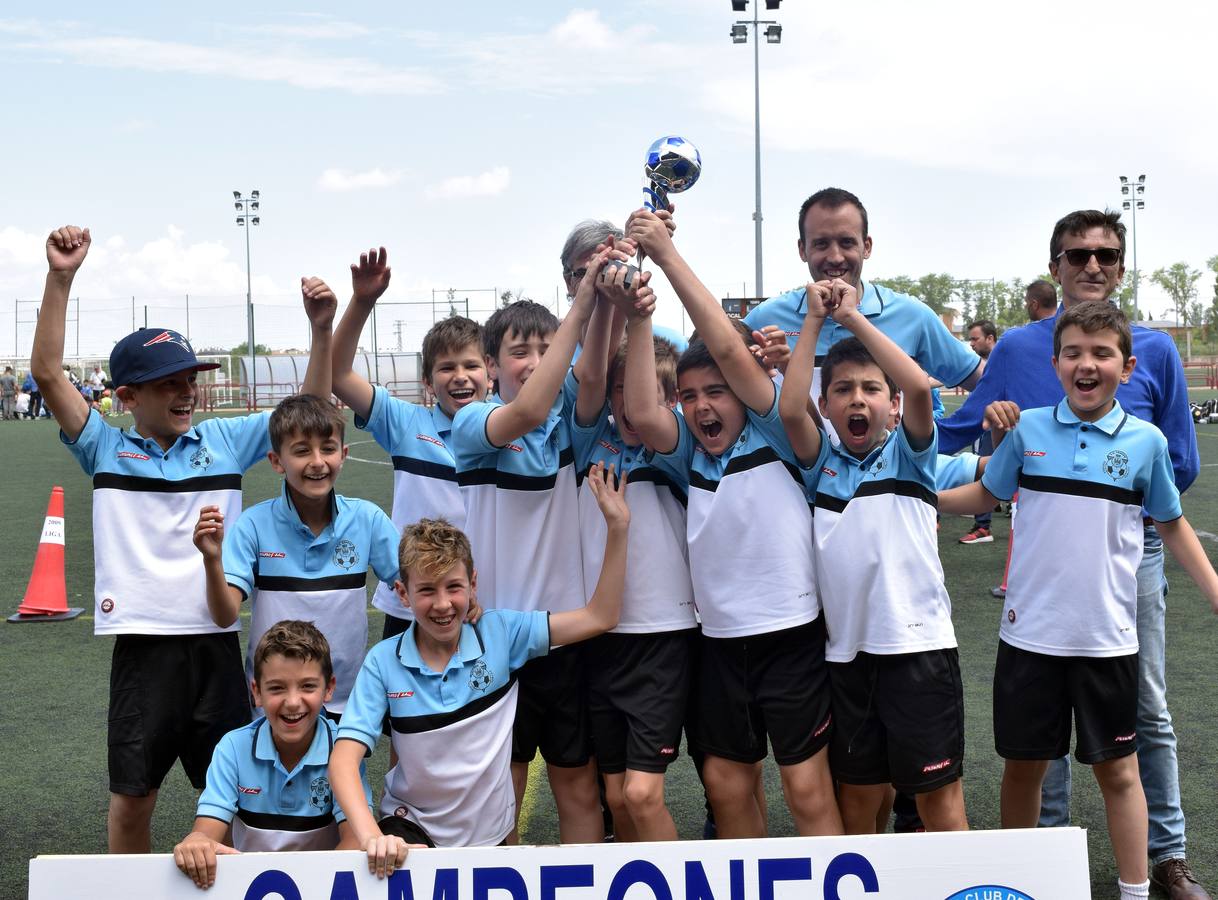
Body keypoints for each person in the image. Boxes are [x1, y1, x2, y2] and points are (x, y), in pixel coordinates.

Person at [29, 225, 331, 854]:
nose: (187, 390)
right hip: (143, 650)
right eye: (170, 382)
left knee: (247, 797)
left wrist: (320, 328)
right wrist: (61, 278)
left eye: (190, 377)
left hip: (218, 647)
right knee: (133, 800)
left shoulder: (223, 441)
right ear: (127, 395)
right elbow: (48, 373)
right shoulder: (104, 445)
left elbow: (311, 402)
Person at [936, 210, 1207, 899]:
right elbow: (969, 458)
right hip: (1036, 614)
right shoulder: (1022, 363)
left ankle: (1161, 863)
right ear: (1056, 264)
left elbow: (1174, 484)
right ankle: (1039, 872)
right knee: (1032, 756)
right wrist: (905, 476)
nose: (1093, 264)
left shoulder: (1153, 377)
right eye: (1078, 254)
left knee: (1144, 723)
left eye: (1106, 254)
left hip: (1120, 580)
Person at [624, 209, 841, 839]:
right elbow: (642, 407)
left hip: (792, 637)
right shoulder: (691, 453)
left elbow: (722, 344)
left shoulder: (777, 426)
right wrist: (640, 320)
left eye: (715, 392)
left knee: (805, 785)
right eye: (689, 397)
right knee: (725, 784)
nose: (701, 406)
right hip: (719, 644)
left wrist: (665, 255)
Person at [329, 463, 630, 853]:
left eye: (454, 587)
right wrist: (372, 837)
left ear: (473, 584)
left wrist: (618, 528)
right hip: (414, 837)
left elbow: (600, 616)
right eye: (426, 591)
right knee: (349, 855)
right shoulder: (383, 662)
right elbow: (342, 761)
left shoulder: (500, 634)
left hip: (489, 845)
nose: (442, 604)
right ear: (402, 594)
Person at [778, 278, 967, 834]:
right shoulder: (821, 462)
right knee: (858, 801)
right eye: (842, 390)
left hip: (918, 650)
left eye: (870, 389)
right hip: (847, 658)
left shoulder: (911, 455)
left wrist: (854, 317)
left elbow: (917, 382)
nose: (857, 399)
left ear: (893, 404)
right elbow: (790, 408)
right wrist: (813, 321)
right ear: (826, 404)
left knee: (938, 803)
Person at [450, 244, 623, 843]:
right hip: (491, 639)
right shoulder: (473, 422)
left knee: (578, 786)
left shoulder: (570, 426)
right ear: (492, 367)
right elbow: (525, 412)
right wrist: (580, 306)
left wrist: (607, 297)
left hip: (565, 633)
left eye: (546, 350)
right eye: (519, 351)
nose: (534, 360)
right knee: (504, 787)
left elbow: (594, 371)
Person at [569, 264, 697, 841]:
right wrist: (607, 298)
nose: (630, 401)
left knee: (643, 794)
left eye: (644, 390)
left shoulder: (674, 448)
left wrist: (641, 313)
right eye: (622, 389)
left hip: (663, 639)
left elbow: (647, 410)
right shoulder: (590, 440)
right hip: (601, 638)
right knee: (617, 800)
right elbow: (592, 375)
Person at [194, 391, 402, 717]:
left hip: (345, 704)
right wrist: (212, 560)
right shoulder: (254, 525)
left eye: (328, 449)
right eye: (302, 451)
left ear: (343, 454)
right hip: (275, 703)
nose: (318, 462)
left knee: (342, 771)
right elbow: (224, 615)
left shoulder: (368, 520)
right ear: (277, 461)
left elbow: (411, 584)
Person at [331, 247, 488, 644]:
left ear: (491, 371)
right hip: (410, 604)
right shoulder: (406, 423)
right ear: (427, 380)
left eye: (471, 365)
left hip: (480, 601)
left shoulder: (506, 426)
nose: (460, 376)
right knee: (402, 702)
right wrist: (362, 302)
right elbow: (337, 374)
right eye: (446, 367)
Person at [171, 621, 375, 890]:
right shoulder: (233, 748)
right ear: (256, 692)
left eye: (307, 686)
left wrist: (308, 889)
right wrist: (196, 842)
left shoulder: (343, 749)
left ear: (329, 688)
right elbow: (206, 833)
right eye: (277, 688)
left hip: (320, 890)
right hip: (250, 889)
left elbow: (355, 839)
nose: (292, 702)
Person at [743, 188, 984, 404]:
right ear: (802, 249)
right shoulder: (765, 320)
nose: (835, 256)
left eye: (847, 242)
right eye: (821, 244)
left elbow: (983, 380)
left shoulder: (912, 316)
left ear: (866, 246)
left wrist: (952, 436)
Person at [959, 319, 1000, 544]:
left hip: (997, 425)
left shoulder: (1000, 361)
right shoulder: (984, 362)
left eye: (975, 339)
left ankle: (983, 526)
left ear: (990, 338)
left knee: (983, 468)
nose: (972, 344)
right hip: (992, 425)